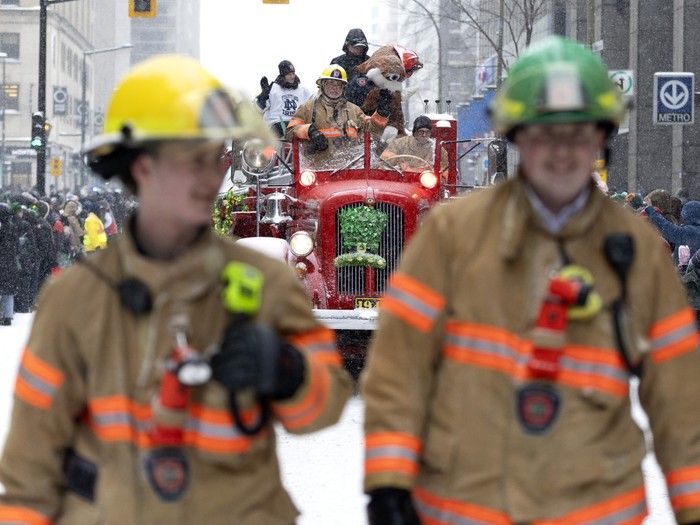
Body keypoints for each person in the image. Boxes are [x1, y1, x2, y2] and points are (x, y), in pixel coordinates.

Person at [0, 55, 353, 524]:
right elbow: (28, 473)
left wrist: (285, 368)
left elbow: (323, 406)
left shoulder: (265, 280)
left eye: (216, 157)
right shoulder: (75, 300)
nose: (210, 175)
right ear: (140, 166)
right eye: (190, 159)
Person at [362, 36, 700, 525]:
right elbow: (398, 367)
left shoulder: (637, 250)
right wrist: (389, 482)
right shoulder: (452, 234)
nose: (561, 152)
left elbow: (681, 399)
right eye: (544, 133)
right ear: (517, 138)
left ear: (601, 139)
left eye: (578, 133)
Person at [286, 64, 391, 167]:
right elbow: (290, 132)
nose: (334, 88)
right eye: (330, 83)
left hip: (348, 171)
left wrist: (381, 113)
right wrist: (309, 131)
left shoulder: (354, 110)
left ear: (343, 87)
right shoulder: (307, 108)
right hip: (317, 172)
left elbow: (372, 130)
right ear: (322, 85)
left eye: (338, 84)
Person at [256, 60, 312, 137]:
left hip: (296, 124)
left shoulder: (302, 90)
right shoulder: (273, 89)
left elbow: (315, 99)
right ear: (283, 75)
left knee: (311, 131)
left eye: (293, 73)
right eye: (289, 74)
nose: (292, 76)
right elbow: (258, 109)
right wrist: (263, 95)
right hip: (277, 123)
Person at [380, 115, 448, 175]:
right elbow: (384, 161)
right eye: (421, 131)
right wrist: (399, 163)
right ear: (415, 131)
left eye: (427, 132)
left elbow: (444, 171)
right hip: (401, 181)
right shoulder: (400, 143)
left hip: (426, 183)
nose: (424, 135)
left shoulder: (437, 149)